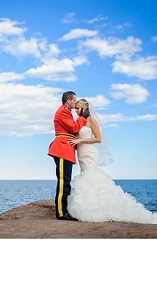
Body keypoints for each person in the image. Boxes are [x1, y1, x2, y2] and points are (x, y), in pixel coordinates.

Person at [67, 99, 157, 225]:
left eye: (78, 108)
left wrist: (80, 141)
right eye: (75, 108)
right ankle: (89, 205)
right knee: (86, 176)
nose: (76, 111)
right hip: (81, 153)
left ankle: (98, 208)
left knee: (90, 176)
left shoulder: (92, 120)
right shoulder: (79, 121)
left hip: (90, 153)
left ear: (84, 108)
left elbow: (98, 139)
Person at [47, 91, 88, 221]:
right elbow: (74, 128)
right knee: (63, 182)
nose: (75, 103)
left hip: (66, 148)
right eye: (74, 100)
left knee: (66, 181)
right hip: (62, 148)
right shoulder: (63, 111)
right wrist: (82, 117)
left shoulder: (66, 112)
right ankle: (61, 213)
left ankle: (64, 210)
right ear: (68, 101)